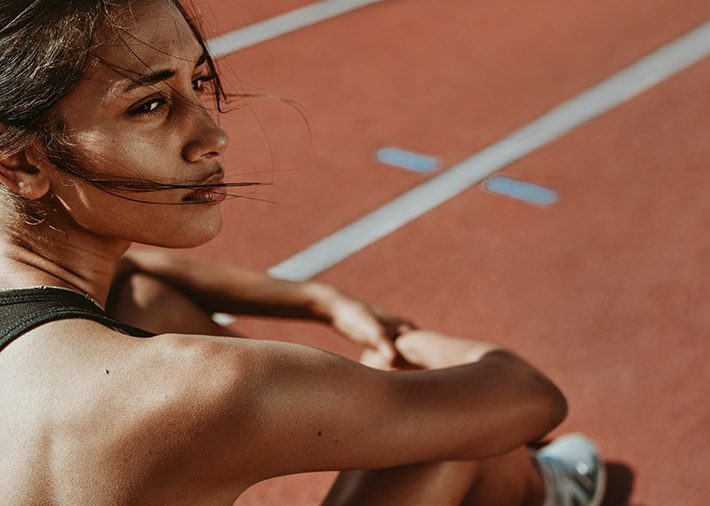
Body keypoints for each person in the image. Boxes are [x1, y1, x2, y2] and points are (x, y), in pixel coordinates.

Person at [0, 1, 605, 504]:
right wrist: (412, 352)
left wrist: (321, 300)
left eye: (198, 83)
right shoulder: (197, 387)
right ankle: (539, 492)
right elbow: (530, 396)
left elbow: (140, 273)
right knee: (456, 433)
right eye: (150, 105)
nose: (215, 135)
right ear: (23, 161)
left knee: (150, 300)